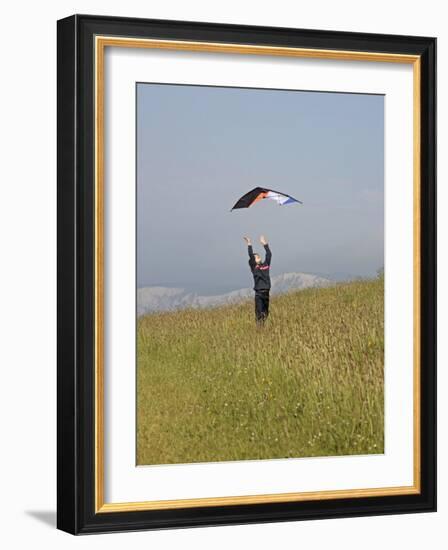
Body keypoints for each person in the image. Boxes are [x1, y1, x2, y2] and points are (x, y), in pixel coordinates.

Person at [243, 235, 272, 325]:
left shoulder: (266, 265)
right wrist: (249, 243)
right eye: (256, 256)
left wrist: (265, 244)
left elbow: (269, 254)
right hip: (259, 294)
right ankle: (259, 329)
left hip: (266, 293)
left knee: (266, 313)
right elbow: (251, 256)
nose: (258, 256)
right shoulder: (254, 267)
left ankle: (262, 326)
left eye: (258, 255)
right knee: (259, 314)